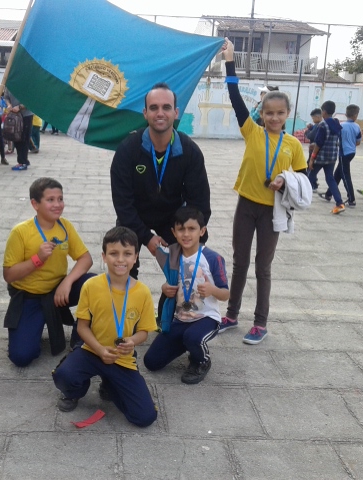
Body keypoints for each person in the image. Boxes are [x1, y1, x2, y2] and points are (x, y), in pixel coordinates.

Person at [218, 38, 308, 343]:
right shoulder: (252, 132)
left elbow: (303, 178)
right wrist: (229, 61)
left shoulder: (294, 145)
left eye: (280, 113)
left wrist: (285, 181)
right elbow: (234, 96)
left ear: (287, 114)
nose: (274, 118)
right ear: (262, 114)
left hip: (273, 211)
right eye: (269, 113)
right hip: (246, 205)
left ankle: (260, 323)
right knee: (240, 262)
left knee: (262, 267)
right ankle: (231, 315)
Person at [52, 226, 158, 427]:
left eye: (127, 254)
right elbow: (82, 327)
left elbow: (144, 331)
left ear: (135, 257)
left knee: (145, 417)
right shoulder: (91, 286)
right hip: (92, 349)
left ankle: (111, 383)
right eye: (114, 253)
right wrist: (99, 349)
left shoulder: (142, 292)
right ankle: (74, 392)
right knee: (64, 375)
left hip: (121, 357)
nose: (120, 260)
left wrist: (132, 341)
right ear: (104, 256)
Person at [110, 82, 211, 279]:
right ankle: (126, 300)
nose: (160, 113)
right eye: (154, 108)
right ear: (145, 113)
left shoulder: (190, 151)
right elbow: (122, 203)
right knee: (121, 258)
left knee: (189, 269)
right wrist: (146, 237)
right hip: (134, 216)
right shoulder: (128, 148)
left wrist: (188, 233)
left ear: (176, 112)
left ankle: (179, 305)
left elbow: (200, 204)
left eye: (166, 107)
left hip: (172, 217)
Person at [3, 177, 94, 367]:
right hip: (29, 297)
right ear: (35, 204)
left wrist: (67, 283)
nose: (57, 205)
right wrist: (37, 259)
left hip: (58, 292)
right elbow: (9, 275)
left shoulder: (64, 226)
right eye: (50, 200)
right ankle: (36, 322)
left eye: (60, 199)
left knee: (93, 284)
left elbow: (86, 258)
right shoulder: (21, 232)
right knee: (21, 357)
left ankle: (80, 338)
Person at [144, 207, 229, 384]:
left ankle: (201, 360)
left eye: (192, 229)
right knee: (151, 362)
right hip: (181, 318)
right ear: (174, 233)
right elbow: (170, 283)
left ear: (202, 231)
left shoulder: (213, 258)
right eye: (181, 229)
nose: (186, 234)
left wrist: (212, 290)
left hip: (206, 318)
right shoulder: (173, 256)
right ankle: (188, 342)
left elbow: (226, 294)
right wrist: (165, 287)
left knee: (193, 337)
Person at [309, 101, 344, 214]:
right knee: (330, 179)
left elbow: (318, 143)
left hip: (321, 157)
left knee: (309, 176)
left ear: (323, 112)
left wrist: (312, 158)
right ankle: (339, 203)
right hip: (332, 157)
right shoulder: (337, 123)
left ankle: (299, 198)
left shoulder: (323, 125)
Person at [325, 104, 361, 207]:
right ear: (356, 115)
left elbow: (337, 139)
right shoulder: (357, 126)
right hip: (352, 152)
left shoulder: (342, 126)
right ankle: (328, 194)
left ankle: (351, 199)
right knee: (338, 173)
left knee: (345, 175)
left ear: (346, 114)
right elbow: (358, 142)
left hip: (343, 153)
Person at [4, 88, 34, 171]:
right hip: (14, 114)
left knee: (24, 138)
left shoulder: (26, 85)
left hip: (26, 115)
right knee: (15, 137)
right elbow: (6, 96)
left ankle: (23, 162)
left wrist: (20, 107)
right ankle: (23, 160)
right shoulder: (9, 84)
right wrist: (9, 104)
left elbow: (32, 100)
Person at [305, 108, 322, 192]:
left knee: (310, 167)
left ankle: (312, 184)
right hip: (315, 150)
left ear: (318, 117)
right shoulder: (317, 125)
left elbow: (311, 136)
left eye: (313, 118)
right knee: (311, 167)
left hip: (314, 150)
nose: (313, 120)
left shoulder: (318, 125)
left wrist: (307, 131)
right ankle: (313, 183)